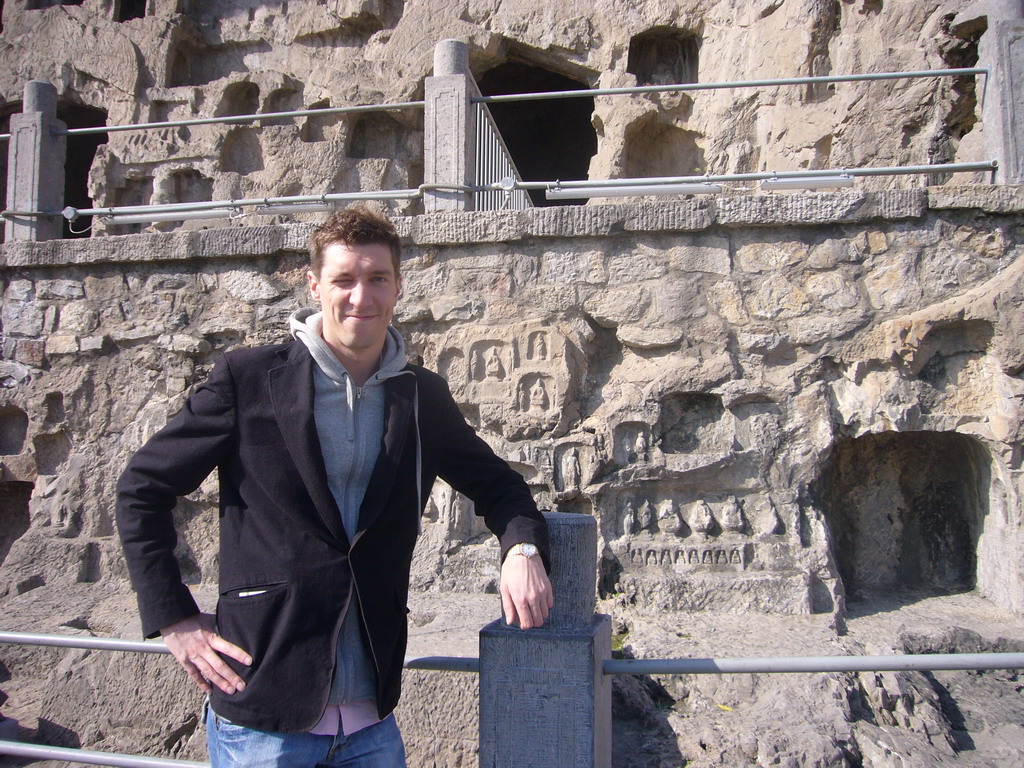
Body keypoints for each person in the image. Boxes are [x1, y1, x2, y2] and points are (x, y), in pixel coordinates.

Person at [116, 206, 553, 767]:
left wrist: (521, 548)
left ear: (398, 286)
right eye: (344, 279)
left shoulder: (422, 396)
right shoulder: (247, 379)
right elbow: (141, 489)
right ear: (315, 283)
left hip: (372, 718)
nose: (360, 297)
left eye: (377, 279)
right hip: (264, 712)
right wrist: (172, 616)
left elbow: (500, 486)